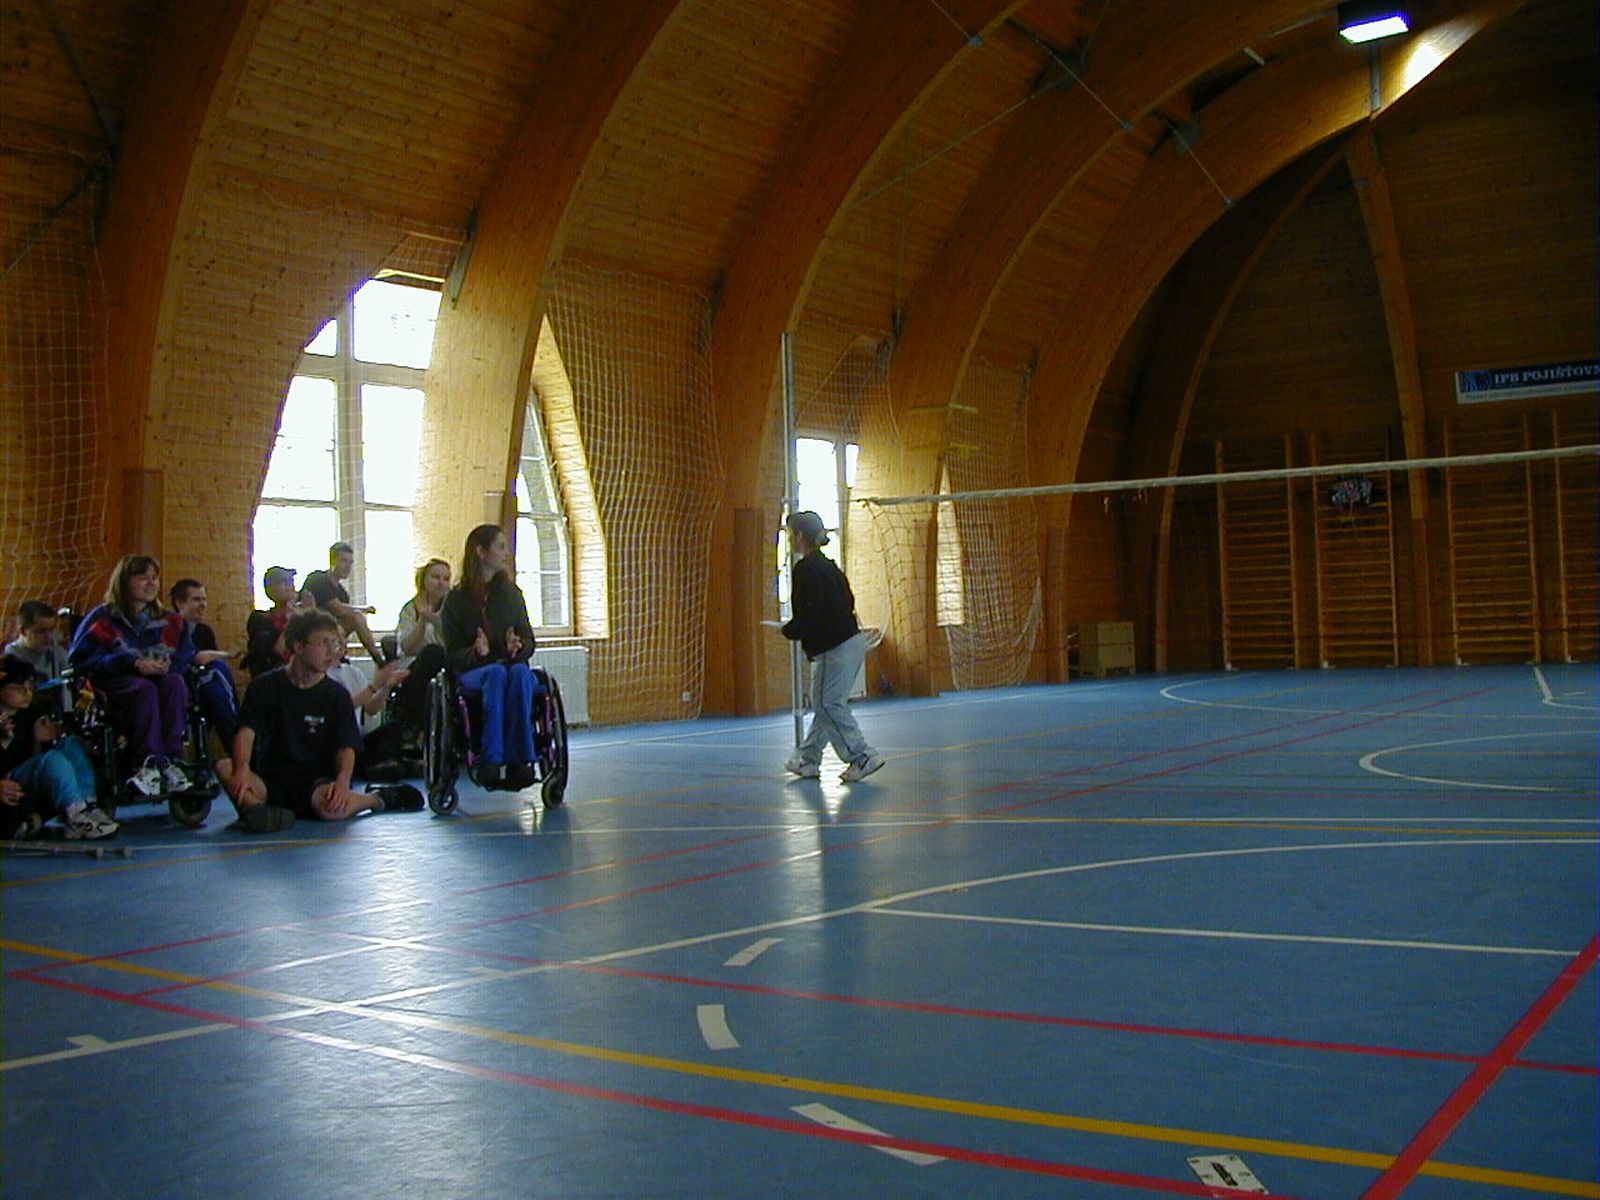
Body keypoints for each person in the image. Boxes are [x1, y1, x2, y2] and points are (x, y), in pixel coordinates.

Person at [219, 610, 420, 833]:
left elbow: (346, 748)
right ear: (298, 646)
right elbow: (245, 734)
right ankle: (257, 811)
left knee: (331, 809)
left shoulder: (337, 696)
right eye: (323, 643)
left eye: (334, 644)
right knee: (225, 767)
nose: (331, 652)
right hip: (269, 780)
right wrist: (242, 770)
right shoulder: (262, 687)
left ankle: (375, 798)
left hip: (314, 784)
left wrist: (342, 784)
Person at [68, 554, 197, 797]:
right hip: (116, 686)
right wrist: (131, 663)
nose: (151, 583)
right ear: (124, 581)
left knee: (175, 682)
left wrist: (168, 667)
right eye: (142, 578)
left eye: (154, 578)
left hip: (159, 681)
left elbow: (185, 656)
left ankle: (170, 761)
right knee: (144, 689)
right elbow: (81, 660)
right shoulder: (102, 619)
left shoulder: (172, 621)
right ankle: (148, 763)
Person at [779, 511, 885, 783]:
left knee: (827, 704)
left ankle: (862, 755)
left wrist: (791, 630)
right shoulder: (830, 566)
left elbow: (809, 613)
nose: (789, 539)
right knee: (825, 705)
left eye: (790, 534)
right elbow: (847, 601)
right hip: (850, 642)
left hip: (834, 648)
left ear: (799, 536)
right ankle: (808, 759)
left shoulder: (805, 569)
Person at [440, 524, 539, 786]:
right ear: (481, 552)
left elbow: (529, 639)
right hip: (475, 671)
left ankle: (521, 760)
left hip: (510, 665)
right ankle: (491, 759)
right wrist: (475, 652)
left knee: (520, 674)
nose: (506, 553)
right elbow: (452, 654)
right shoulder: (456, 600)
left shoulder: (512, 595)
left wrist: (518, 646)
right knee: (496, 673)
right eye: (500, 547)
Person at [0, 656, 118, 840]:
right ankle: (75, 813)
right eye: (18, 688)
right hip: (8, 783)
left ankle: (87, 804)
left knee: (70, 744)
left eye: (29, 687)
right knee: (52, 760)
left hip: (26, 779)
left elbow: (46, 730)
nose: (27, 693)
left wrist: (60, 730)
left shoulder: (30, 712)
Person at [170, 577, 240, 750]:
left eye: (204, 599)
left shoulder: (204, 631)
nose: (203, 605)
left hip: (202, 687)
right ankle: (239, 747)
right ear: (179, 603)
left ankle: (238, 745)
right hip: (181, 684)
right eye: (196, 599)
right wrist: (228, 654)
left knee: (216, 683)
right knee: (217, 672)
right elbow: (199, 658)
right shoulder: (171, 628)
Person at [391, 557, 450, 737]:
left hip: (446, 665)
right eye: (436, 577)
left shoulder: (453, 610)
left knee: (438, 654)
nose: (441, 583)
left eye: (446, 579)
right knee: (431, 653)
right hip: (414, 666)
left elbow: (453, 643)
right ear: (424, 581)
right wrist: (423, 618)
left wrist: (436, 620)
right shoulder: (410, 609)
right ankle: (418, 725)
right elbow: (408, 648)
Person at [302, 541, 386, 664]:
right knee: (356, 616)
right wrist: (364, 609)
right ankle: (378, 659)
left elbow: (342, 616)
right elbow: (339, 609)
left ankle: (378, 659)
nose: (348, 567)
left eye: (350, 562)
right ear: (332, 561)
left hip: (330, 633)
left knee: (355, 618)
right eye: (343, 561)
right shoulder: (318, 579)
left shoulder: (342, 594)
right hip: (309, 631)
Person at [243, 565, 315, 677]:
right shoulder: (260, 618)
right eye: (283, 581)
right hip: (275, 673)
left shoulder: (302, 613)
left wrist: (312, 615)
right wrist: (292, 620)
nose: (289, 585)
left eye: (291, 581)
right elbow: (278, 652)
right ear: (269, 588)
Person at [4, 600, 71, 713]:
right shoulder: (11, 658)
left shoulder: (58, 653)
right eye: (41, 631)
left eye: (51, 630)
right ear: (23, 631)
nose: (49, 636)